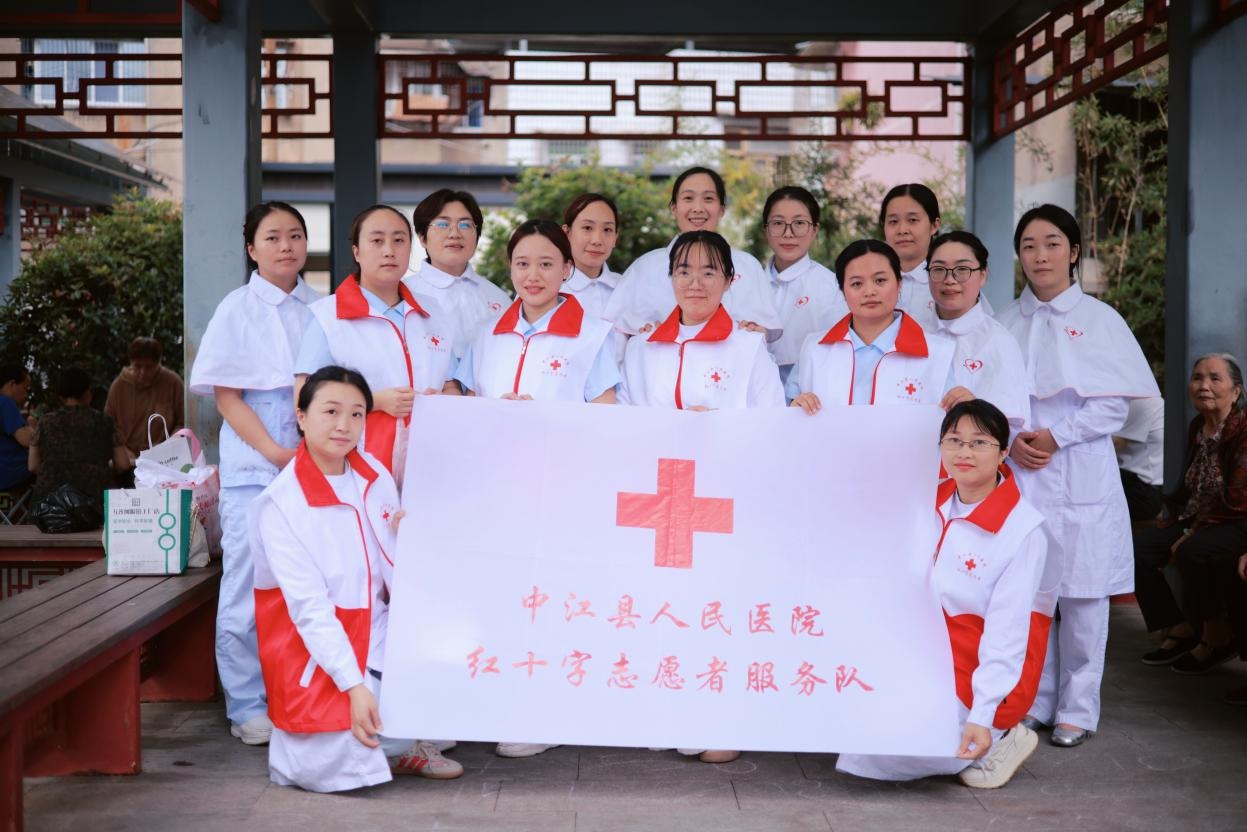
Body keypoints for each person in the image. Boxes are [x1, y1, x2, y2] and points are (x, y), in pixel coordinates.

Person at [997, 204, 1159, 748]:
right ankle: (1035, 701)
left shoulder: (1101, 320)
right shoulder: (1005, 322)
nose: (1039, 255)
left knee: (1085, 596)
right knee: (1032, 591)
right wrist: (1014, 439)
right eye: (1028, 246)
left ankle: (1078, 708)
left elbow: (1114, 406)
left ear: (1072, 251)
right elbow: (992, 399)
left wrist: (1058, 435)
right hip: (1022, 469)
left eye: (1051, 244)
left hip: (1081, 466)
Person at [838, 399, 1058, 789]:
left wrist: (983, 715)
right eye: (954, 440)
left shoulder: (1022, 532)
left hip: (973, 675)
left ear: (1003, 453)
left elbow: (1007, 635)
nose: (964, 452)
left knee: (880, 751)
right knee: (839, 720)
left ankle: (999, 738)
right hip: (917, 656)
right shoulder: (925, 501)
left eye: (979, 442)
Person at [189, 201, 322, 747]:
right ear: (252, 248)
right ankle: (246, 704)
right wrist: (274, 451)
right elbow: (228, 397)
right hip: (254, 466)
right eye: (272, 237)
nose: (285, 246)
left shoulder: (322, 307)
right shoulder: (236, 308)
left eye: (295, 235)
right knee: (246, 585)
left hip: (314, 464)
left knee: (308, 585)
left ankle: (298, 694)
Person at [251, 366, 398, 792]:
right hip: (315, 649)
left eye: (357, 414)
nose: (344, 425)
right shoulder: (281, 504)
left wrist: (405, 536)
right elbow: (309, 609)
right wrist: (353, 686)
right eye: (331, 411)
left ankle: (400, 739)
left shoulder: (374, 476)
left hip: (379, 633)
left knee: (427, 707)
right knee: (338, 757)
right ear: (301, 417)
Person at [297, 204, 460, 483]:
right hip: (357, 465)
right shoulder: (329, 317)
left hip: (430, 465)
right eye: (376, 241)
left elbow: (451, 383)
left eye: (399, 240)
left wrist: (444, 400)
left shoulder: (434, 313)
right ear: (357, 252)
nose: (389, 251)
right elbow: (305, 399)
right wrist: (374, 401)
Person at [1132, 356, 1246, 676]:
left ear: (1236, 391)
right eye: (1197, 378)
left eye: (1215, 378)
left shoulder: (1242, 430)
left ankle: (1215, 635)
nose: (1203, 386)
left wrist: (1190, 532)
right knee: (1136, 550)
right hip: (1197, 516)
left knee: (1193, 551)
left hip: (1234, 518)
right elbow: (1190, 485)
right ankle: (1178, 626)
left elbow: (1238, 499)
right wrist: (1174, 519)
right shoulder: (1198, 426)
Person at [604, 166, 782, 338]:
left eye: (708, 199)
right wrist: (642, 334)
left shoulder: (748, 265)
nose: (698, 208)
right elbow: (616, 333)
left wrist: (757, 332)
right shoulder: (645, 267)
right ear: (674, 208)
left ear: (721, 209)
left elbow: (766, 332)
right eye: (688, 198)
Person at [456, 219, 619, 406]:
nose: (533, 276)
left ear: (566, 269)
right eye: (522, 264)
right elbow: (470, 409)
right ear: (511, 267)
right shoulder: (484, 334)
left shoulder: (593, 336)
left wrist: (540, 417)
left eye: (546, 264)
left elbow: (603, 414)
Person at [619, 229, 785, 412]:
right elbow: (621, 421)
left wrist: (712, 423)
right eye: (684, 272)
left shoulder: (750, 346)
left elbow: (773, 418)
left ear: (728, 281)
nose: (695, 284)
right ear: (672, 278)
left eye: (708, 273)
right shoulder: (640, 347)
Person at [786, 239, 961, 412]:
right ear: (842, 291)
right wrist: (795, 408)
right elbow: (788, 412)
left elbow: (955, 420)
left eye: (880, 280)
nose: (869, 292)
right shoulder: (813, 350)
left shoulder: (937, 353)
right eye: (857, 284)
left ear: (899, 283)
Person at [926, 231, 1030, 433]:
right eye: (938, 269)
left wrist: (977, 409)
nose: (949, 279)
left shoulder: (999, 341)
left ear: (982, 275)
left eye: (962, 269)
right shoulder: (914, 335)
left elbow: (1016, 427)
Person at [403, 189, 511, 356]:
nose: (454, 234)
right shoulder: (403, 295)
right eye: (442, 224)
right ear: (422, 237)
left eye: (465, 225)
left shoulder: (499, 298)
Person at [759, 186, 847, 387]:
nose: (788, 234)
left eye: (799, 223)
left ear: (814, 230)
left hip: (810, 395)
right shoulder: (748, 283)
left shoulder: (832, 288)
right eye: (778, 223)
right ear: (766, 229)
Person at [28, 366, 130, 514]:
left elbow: (32, 466)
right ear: (87, 393)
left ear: (61, 396)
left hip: (51, 506)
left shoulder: (45, 422)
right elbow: (123, 464)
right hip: (95, 504)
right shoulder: (106, 421)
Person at [104, 337, 186, 460]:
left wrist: (169, 446)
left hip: (163, 459)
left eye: (149, 367)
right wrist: (121, 449)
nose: (143, 372)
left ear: (159, 363)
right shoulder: (119, 386)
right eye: (138, 366)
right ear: (131, 363)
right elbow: (108, 423)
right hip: (127, 458)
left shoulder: (173, 383)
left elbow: (183, 422)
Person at [560, 193, 621, 321]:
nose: (597, 241)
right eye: (587, 228)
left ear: (615, 237)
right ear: (566, 233)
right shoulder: (546, 289)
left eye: (607, 230)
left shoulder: (627, 287)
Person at [1115, 397, 1165, 523]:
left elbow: (1115, 444)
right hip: (1149, 488)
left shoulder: (1142, 401)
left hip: (1143, 492)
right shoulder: (1151, 400)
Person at [0, 363, 34, 492]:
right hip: (13, 474)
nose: (26, 394)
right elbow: (27, 440)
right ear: (12, 384)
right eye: (25, 388)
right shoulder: (5, 402)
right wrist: (33, 427)